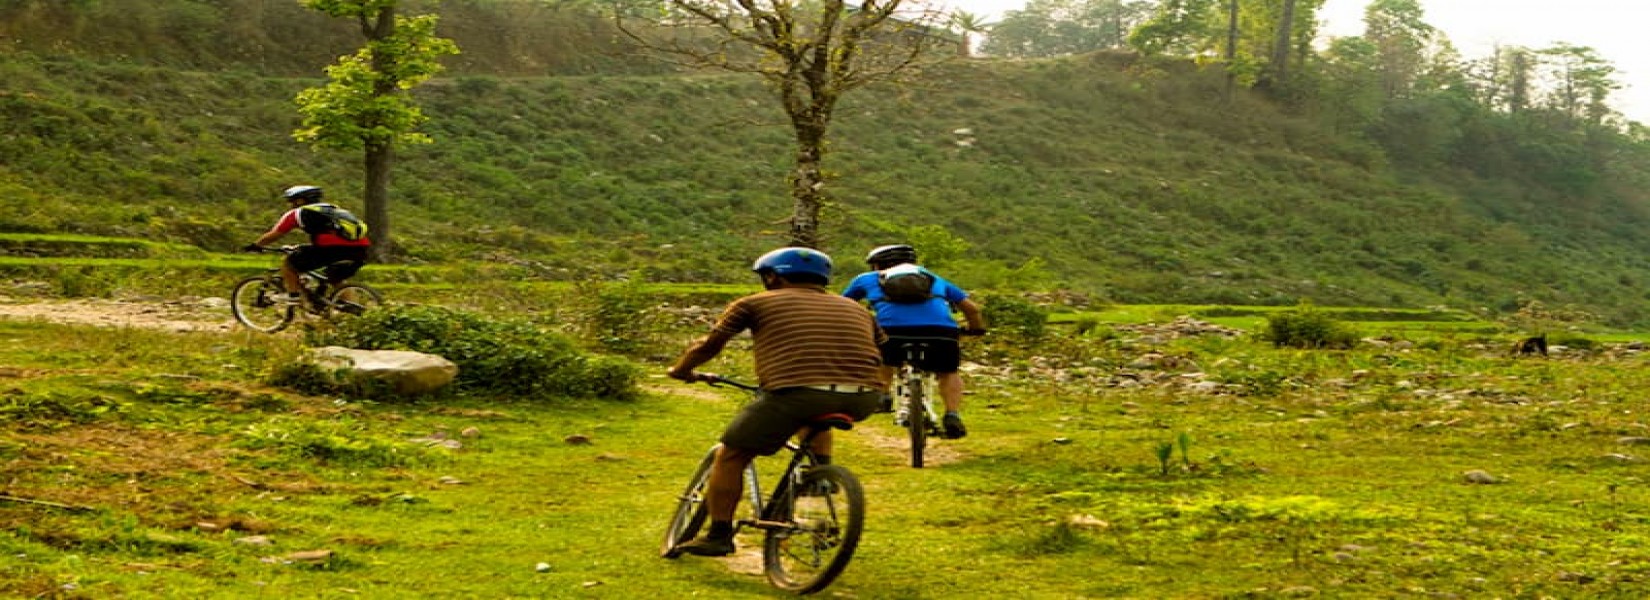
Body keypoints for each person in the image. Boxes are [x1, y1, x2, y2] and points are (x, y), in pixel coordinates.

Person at [667, 247, 885, 557]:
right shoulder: (856, 309)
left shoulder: (752, 303)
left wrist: (682, 370)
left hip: (796, 394)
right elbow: (882, 349)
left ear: (772, 276)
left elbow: (709, 345)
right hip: (864, 397)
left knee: (731, 455)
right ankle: (820, 476)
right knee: (816, 412)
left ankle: (718, 534)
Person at [841, 244, 986, 439]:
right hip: (940, 331)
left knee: (883, 358)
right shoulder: (934, 278)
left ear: (878, 265)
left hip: (892, 331)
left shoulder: (867, 279)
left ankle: (883, 395)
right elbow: (972, 309)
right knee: (948, 372)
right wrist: (975, 329)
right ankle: (952, 413)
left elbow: (843, 305)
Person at [243, 185, 371, 306]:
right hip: (360, 249)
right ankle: (354, 309)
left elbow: (276, 233)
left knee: (289, 264)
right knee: (336, 278)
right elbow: (329, 235)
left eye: (291, 201)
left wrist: (256, 245)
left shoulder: (297, 213)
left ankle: (293, 296)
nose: (290, 204)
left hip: (331, 249)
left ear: (299, 201)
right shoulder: (332, 208)